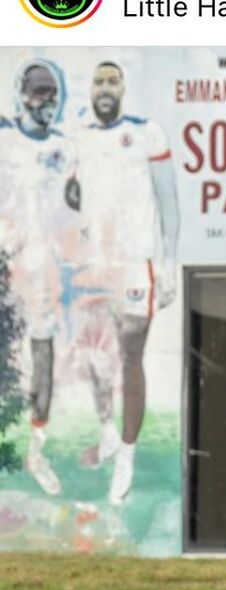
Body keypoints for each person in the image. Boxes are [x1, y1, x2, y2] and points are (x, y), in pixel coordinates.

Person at [73, 60, 179, 505]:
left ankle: (127, 457)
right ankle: (107, 434)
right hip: (94, 263)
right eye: (98, 80)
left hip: (137, 262)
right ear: (90, 89)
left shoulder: (146, 133)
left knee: (131, 353)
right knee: (95, 353)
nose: (105, 87)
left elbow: (168, 200)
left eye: (112, 81)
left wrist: (170, 261)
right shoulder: (77, 137)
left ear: (122, 89)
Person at [0, 59, 77, 497]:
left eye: (51, 93)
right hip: (3, 264)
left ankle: (36, 449)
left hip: (41, 270)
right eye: (36, 91)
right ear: (21, 93)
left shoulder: (65, 149)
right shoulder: (4, 136)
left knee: (42, 357)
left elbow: (76, 209)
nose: (44, 101)